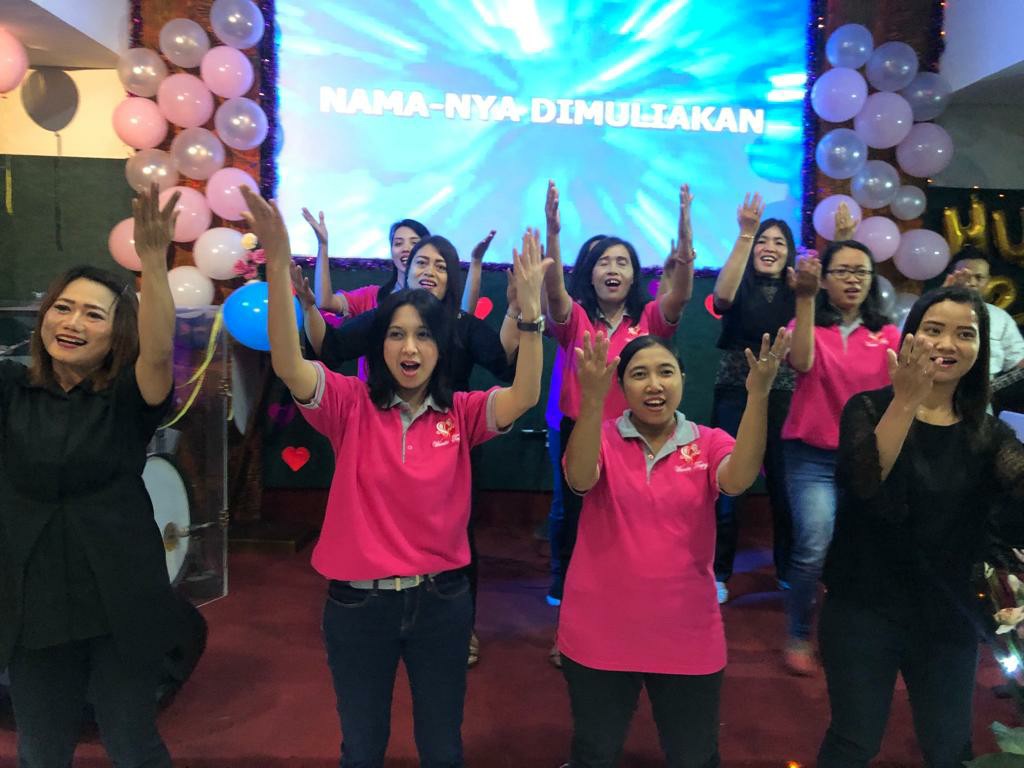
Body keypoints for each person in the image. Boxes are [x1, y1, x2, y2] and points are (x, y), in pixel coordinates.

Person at [243, 184, 548, 768]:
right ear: (380, 343)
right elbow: (289, 361)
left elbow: (525, 394)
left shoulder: (462, 412)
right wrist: (279, 266)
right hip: (358, 607)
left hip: (443, 602)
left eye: (425, 335)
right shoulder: (348, 404)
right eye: (397, 334)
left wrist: (529, 314)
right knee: (362, 747)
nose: (411, 347)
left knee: (443, 746)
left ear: (441, 347)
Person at [0, 185, 180, 767]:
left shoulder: (128, 396)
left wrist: (154, 266)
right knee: (41, 748)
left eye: (93, 314)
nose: (72, 322)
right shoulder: (11, 389)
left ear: (115, 333)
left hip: (120, 596)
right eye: (63, 307)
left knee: (131, 741)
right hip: (33, 601)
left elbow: (158, 353)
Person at [559, 329, 790, 768]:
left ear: (683, 378)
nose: (654, 384)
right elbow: (581, 478)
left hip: (687, 632)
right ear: (621, 385)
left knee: (694, 757)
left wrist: (758, 396)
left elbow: (738, 479)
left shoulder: (709, 441)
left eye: (665, 372)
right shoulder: (601, 436)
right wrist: (591, 400)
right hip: (599, 628)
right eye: (639, 375)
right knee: (594, 753)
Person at [817, 285, 1024, 767]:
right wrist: (906, 402)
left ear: (981, 347)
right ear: (910, 336)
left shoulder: (988, 434)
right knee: (855, 741)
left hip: (947, 613)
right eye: (934, 330)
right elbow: (864, 484)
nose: (947, 344)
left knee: (949, 749)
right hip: (863, 607)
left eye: (965, 334)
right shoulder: (867, 409)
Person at [543, 180, 694, 609]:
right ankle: (565, 588)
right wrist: (553, 232)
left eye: (622, 262)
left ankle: (623, 587)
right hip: (580, 430)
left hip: (635, 433)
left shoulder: (649, 317)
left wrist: (685, 237)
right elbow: (554, 294)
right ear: (590, 273)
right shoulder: (575, 318)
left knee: (629, 513)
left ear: (633, 274)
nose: (613, 269)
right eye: (604, 262)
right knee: (571, 512)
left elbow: (681, 294)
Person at [781, 239, 901, 675]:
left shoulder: (888, 334)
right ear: (825, 279)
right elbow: (801, 362)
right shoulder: (806, 324)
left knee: (863, 549)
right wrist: (805, 299)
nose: (853, 280)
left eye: (861, 272)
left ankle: (852, 634)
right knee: (814, 545)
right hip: (809, 456)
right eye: (843, 271)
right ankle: (798, 633)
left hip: (866, 459)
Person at [710, 194, 798, 603]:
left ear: (790, 252)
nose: (770, 247)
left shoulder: (799, 291)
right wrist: (746, 234)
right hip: (735, 390)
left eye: (779, 242)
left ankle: (788, 570)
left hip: (783, 395)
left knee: (784, 485)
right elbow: (721, 298)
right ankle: (718, 571)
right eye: (764, 240)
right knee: (729, 483)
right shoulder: (738, 281)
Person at [944, 246, 1024, 413]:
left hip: (980, 406)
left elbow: (1018, 359)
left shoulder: (1000, 318)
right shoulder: (930, 311)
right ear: (951, 276)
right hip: (932, 396)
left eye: (979, 277)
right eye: (965, 276)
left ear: (988, 281)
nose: (971, 282)